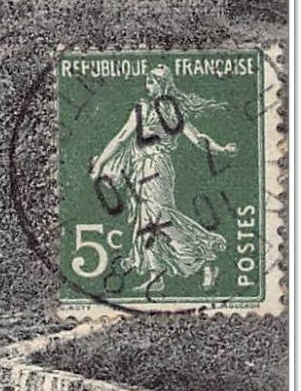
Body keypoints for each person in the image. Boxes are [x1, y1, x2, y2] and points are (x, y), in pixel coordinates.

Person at [89, 65, 236, 292]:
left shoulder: (162, 111)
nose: (148, 85)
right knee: (147, 220)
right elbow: (121, 139)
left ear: (162, 84)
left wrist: (222, 150)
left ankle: (206, 257)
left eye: (152, 81)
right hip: (142, 168)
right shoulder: (151, 109)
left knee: (160, 217)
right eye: (148, 81)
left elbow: (198, 139)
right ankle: (156, 275)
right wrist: (222, 150)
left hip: (156, 166)